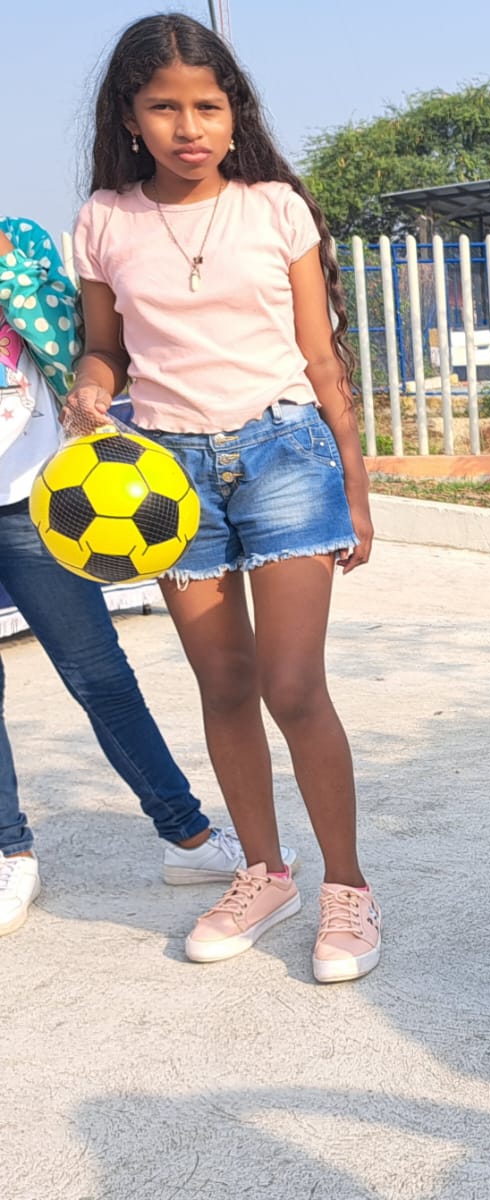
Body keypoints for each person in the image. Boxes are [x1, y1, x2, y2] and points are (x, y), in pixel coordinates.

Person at [64, 15, 378, 982]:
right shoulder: (105, 220)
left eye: (207, 105)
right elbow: (105, 349)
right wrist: (88, 388)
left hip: (285, 452)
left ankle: (347, 889)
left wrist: (356, 487)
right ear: (130, 117)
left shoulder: (274, 208)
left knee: (293, 685)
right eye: (164, 107)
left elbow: (322, 357)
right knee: (226, 686)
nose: (189, 126)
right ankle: (265, 874)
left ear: (234, 112)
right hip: (167, 478)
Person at [0, 214, 295, 936]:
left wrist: (4, 261)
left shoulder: (19, 240)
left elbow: (70, 344)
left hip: (39, 499)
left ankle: (187, 836)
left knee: (99, 675)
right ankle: (9, 851)